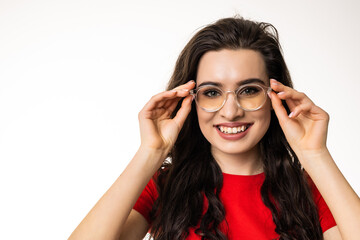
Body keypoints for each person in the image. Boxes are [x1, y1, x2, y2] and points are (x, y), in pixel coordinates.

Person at [68, 17, 360, 240]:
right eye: (211, 92)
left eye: (249, 90)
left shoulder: (310, 191)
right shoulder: (164, 187)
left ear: (275, 96)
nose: (231, 111)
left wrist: (316, 154)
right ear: (189, 101)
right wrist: (150, 152)